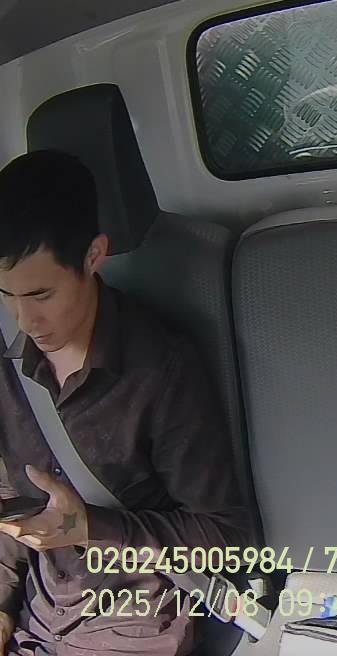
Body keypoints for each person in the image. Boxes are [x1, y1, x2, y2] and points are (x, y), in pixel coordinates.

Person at [0, 150, 253, 655]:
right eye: (6, 295)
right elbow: (11, 500)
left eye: (42, 295)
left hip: (136, 621)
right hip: (39, 614)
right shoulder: (8, 359)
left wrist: (90, 526)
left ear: (94, 255)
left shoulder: (162, 370)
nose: (26, 321)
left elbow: (225, 537)